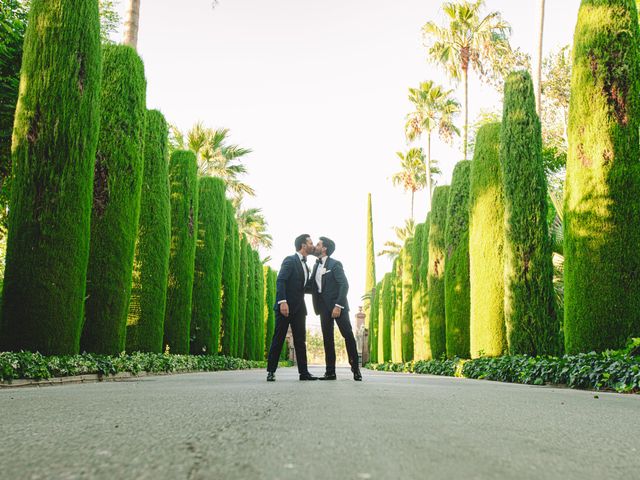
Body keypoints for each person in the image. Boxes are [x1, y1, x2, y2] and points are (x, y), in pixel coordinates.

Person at [265, 234, 318, 381]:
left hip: (300, 309)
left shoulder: (306, 266)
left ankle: (304, 373)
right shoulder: (290, 260)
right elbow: (281, 280)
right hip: (285, 307)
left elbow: (304, 287)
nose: (312, 245)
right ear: (303, 245)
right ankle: (271, 371)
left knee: (300, 341)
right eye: (310, 243)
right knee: (279, 338)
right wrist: (282, 301)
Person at [309, 236, 361, 381]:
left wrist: (338, 306)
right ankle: (330, 372)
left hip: (339, 306)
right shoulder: (315, 265)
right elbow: (312, 286)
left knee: (348, 336)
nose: (316, 246)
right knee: (327, 339)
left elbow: (344, 285)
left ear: (324, 248)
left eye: (318, 244)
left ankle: (356, 369)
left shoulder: (335, 264)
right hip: (323, 308)